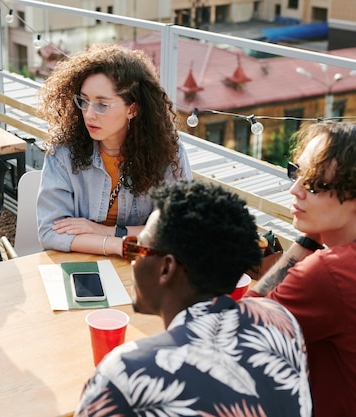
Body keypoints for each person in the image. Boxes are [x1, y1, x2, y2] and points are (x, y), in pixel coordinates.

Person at [75, 181, 312, 416]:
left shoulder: (125, 373)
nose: (132, 260)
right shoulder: (282, 323)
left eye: (137, 249)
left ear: (166, 269)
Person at [36, 43, 192, 257]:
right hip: (85, 261)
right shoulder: (63, 153)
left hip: (140, 264)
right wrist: (120, 246)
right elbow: (50, 232)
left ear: (133, 109)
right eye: (84, 101)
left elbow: (175, 231)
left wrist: (103, 231)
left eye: (102, 105)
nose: (89, 114)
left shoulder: (169, 155)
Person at [247, 121, 356, 416]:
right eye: (296, 172)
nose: (295, 190)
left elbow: (239, 336)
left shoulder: (330, 273)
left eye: (314, 184)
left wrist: (304, 242)